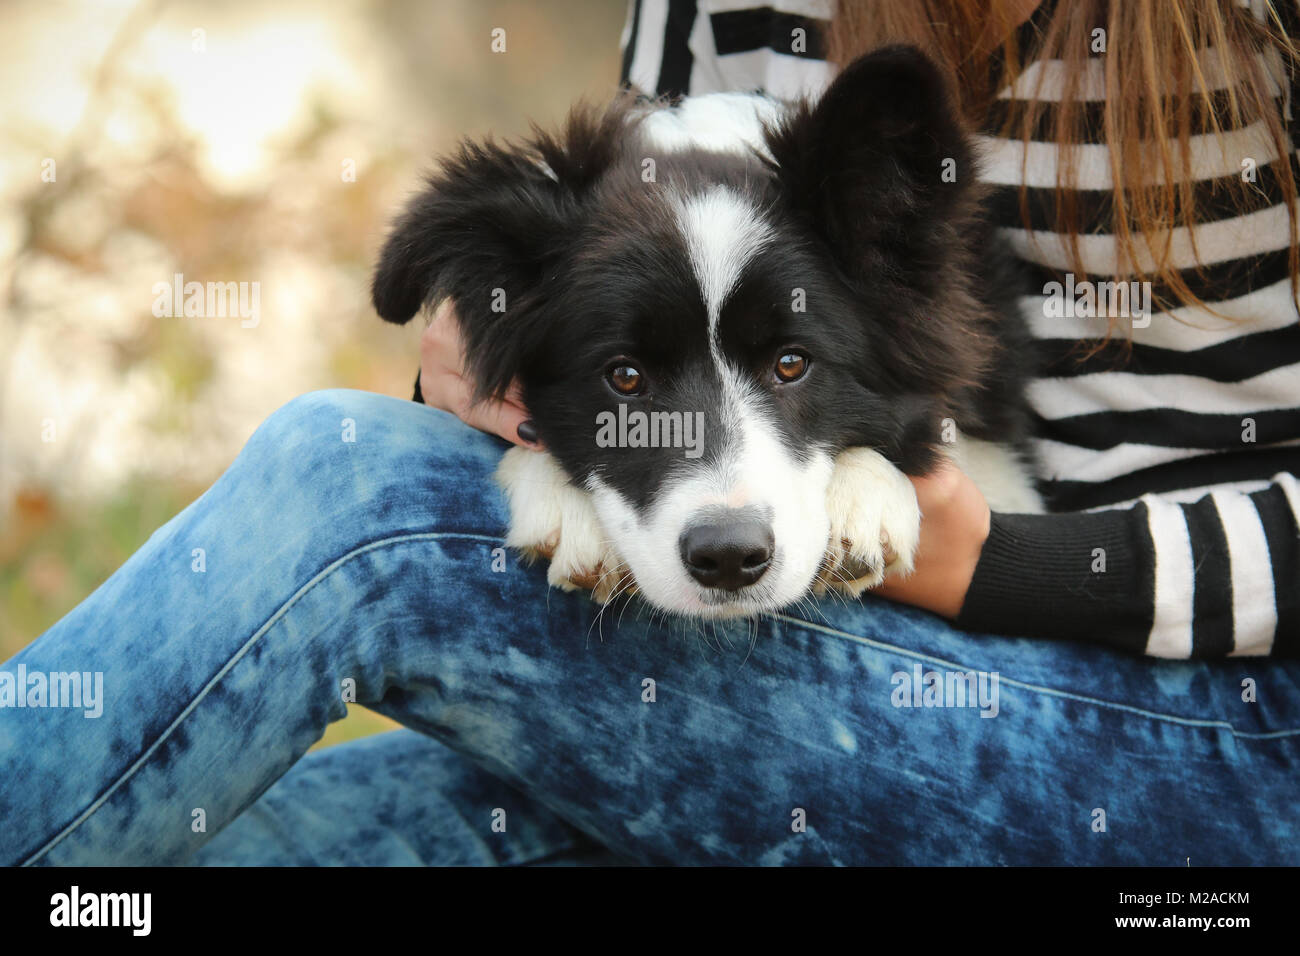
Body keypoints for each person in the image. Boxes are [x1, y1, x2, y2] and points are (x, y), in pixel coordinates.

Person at [2, 0, 1297, 867]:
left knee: (361, 498)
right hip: (815, 663)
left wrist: (998, 564)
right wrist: (503, 372)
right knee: (208, 852)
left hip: (1236, 753)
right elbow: (656, 262)